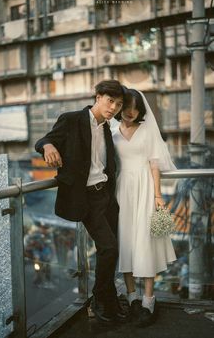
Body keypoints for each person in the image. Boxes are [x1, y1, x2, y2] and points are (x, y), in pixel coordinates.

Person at [35, 80, 127, 323]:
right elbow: (42, 140)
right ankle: (98, 300)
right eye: (110, 101)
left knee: (112, 249)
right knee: (108, 248)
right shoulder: (72, 119)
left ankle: (109, 300)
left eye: (118, 104)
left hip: (105, 195)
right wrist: (48, 146)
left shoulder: (107, 127)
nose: (113, 108)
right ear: (97, 97)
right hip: (84, 198)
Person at [112, 88, 177, 327]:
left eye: (134, 107)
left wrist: (158, 194)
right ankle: (132, 298)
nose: (130, 112)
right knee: (126, 240)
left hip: (145, 189)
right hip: (122, 191)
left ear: (140, 109)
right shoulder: (112, 131)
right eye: (125, 106)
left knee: (146, 242)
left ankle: (149, 299)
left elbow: (154, 165)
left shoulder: (148, 130)